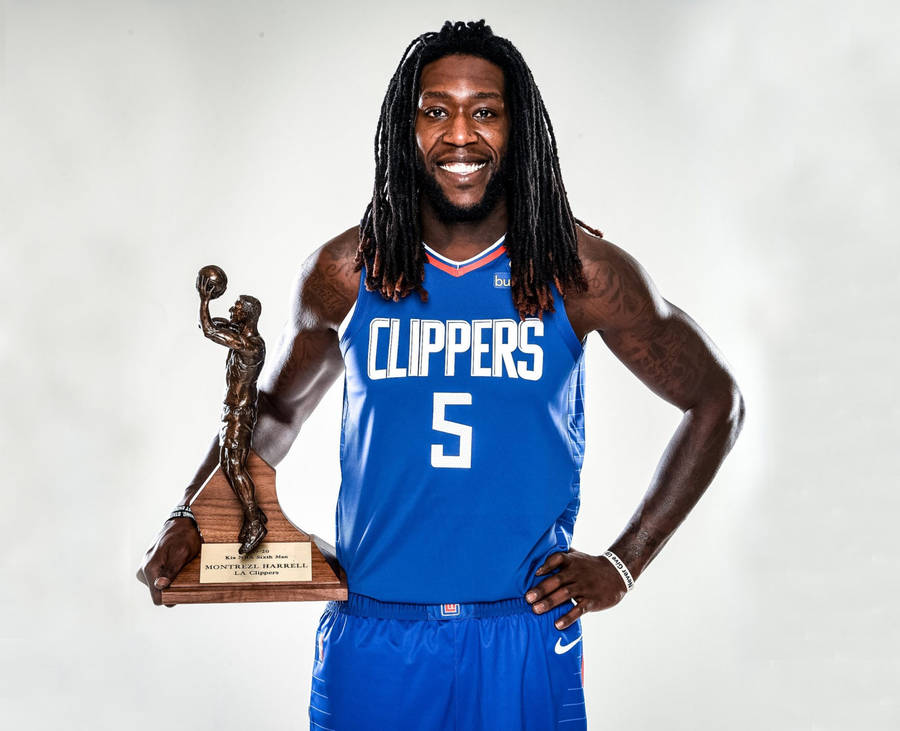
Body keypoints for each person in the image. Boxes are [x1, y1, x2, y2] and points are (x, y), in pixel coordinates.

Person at [137, 20, 745, 730]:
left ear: (519, 129)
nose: (460, 134)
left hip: (523, 631)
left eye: (485, 110)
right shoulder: (345, 272)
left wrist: (625, 561)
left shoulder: (577, 272)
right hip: (375, 634)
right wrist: (191, 513)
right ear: (406, 130)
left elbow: (716, 400)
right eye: (436, 110)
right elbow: (273, 411)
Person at [196, 277, 268, 554]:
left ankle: (255, 522)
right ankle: (254, 515)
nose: (231, 310)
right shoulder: (239, 335)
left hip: (240, 413)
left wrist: (204, 299)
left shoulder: (250, 345)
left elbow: (209, 331)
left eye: (236, 307)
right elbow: (209, 325)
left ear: (248, 314)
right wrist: (210, 308)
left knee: (235, 466)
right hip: (232, 411)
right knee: (227, 464)